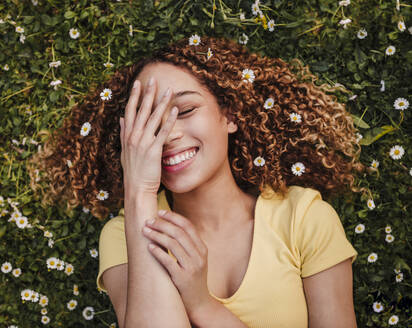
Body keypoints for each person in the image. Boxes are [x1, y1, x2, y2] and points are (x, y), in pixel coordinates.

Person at [28, 35, 367, 328]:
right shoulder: (124, 234)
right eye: (149, 123)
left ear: (229, 115)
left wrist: (202, 304)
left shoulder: (303, 219)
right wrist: (139, 193)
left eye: (186, 110)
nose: (168, 134)